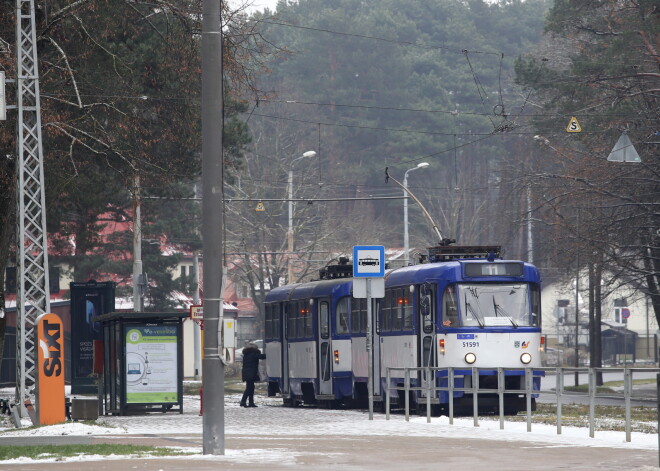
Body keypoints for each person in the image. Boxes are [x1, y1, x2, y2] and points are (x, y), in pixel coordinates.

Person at [240, 342, 266, 408]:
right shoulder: (253, 354)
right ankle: (244, 402)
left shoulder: (246, 354)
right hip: (251, 373)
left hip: (247, 373)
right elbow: (262, 356)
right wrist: (270, 353)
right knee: (250, 388)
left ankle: (250, 402)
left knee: (250, 388)